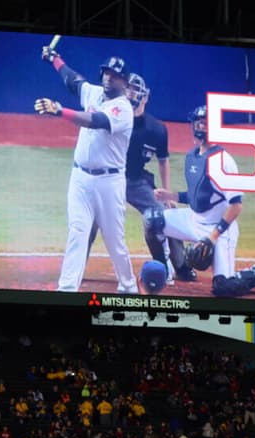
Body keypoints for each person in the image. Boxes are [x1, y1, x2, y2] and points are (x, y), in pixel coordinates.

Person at [150, 105, 255, 299]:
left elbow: (236, 205)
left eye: (206, 123)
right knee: (152, 220)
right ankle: (169, 268)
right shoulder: (192, 156)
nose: (202, 127)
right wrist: (171, 196)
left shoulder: (223, 161)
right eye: (199, 123)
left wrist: (212, 237)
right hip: (192, 220)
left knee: (223, 288)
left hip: (220, 231)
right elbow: (198, 197)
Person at [35, 49, 137, 294]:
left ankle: (129, 285)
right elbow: (73, 80)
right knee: (78, 232)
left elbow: (95, 121)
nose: (108, 78)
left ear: (124, 82)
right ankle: (67, 289)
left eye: (115, 75)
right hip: (80, 178)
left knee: (115, 241)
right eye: (106, 72)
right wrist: (54, 59)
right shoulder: (94, 92)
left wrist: (60, 111)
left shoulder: (123, 108)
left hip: (109, 182)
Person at [88, 73, 188, 288]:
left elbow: (163, 161)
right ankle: (76, 265)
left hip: (135, 181)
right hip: (108, 179)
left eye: (135, 90)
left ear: (145, 97)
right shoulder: (115, 117)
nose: (131, 94)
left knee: (163, 214)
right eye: (128, 89)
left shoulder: (157, 130)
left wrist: (168, 193)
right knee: (89, 220)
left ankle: (179, 265)